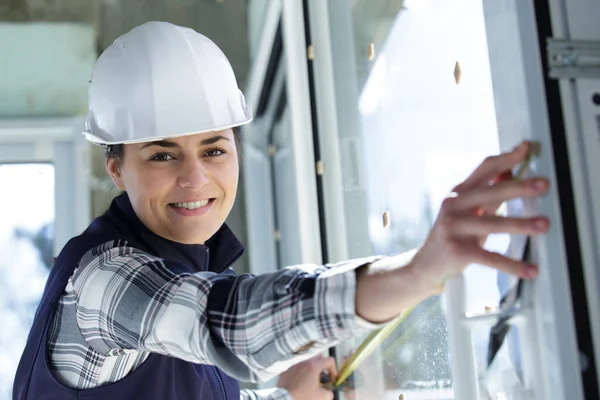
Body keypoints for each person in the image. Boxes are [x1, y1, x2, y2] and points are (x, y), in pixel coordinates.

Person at [12, 21, 549, 400]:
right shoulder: (104, 281)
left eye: (214, 149)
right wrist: (416, 272)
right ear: (116, 168)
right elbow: (226, 324)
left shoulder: (189, 274)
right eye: (161, 153)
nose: (195, 177)